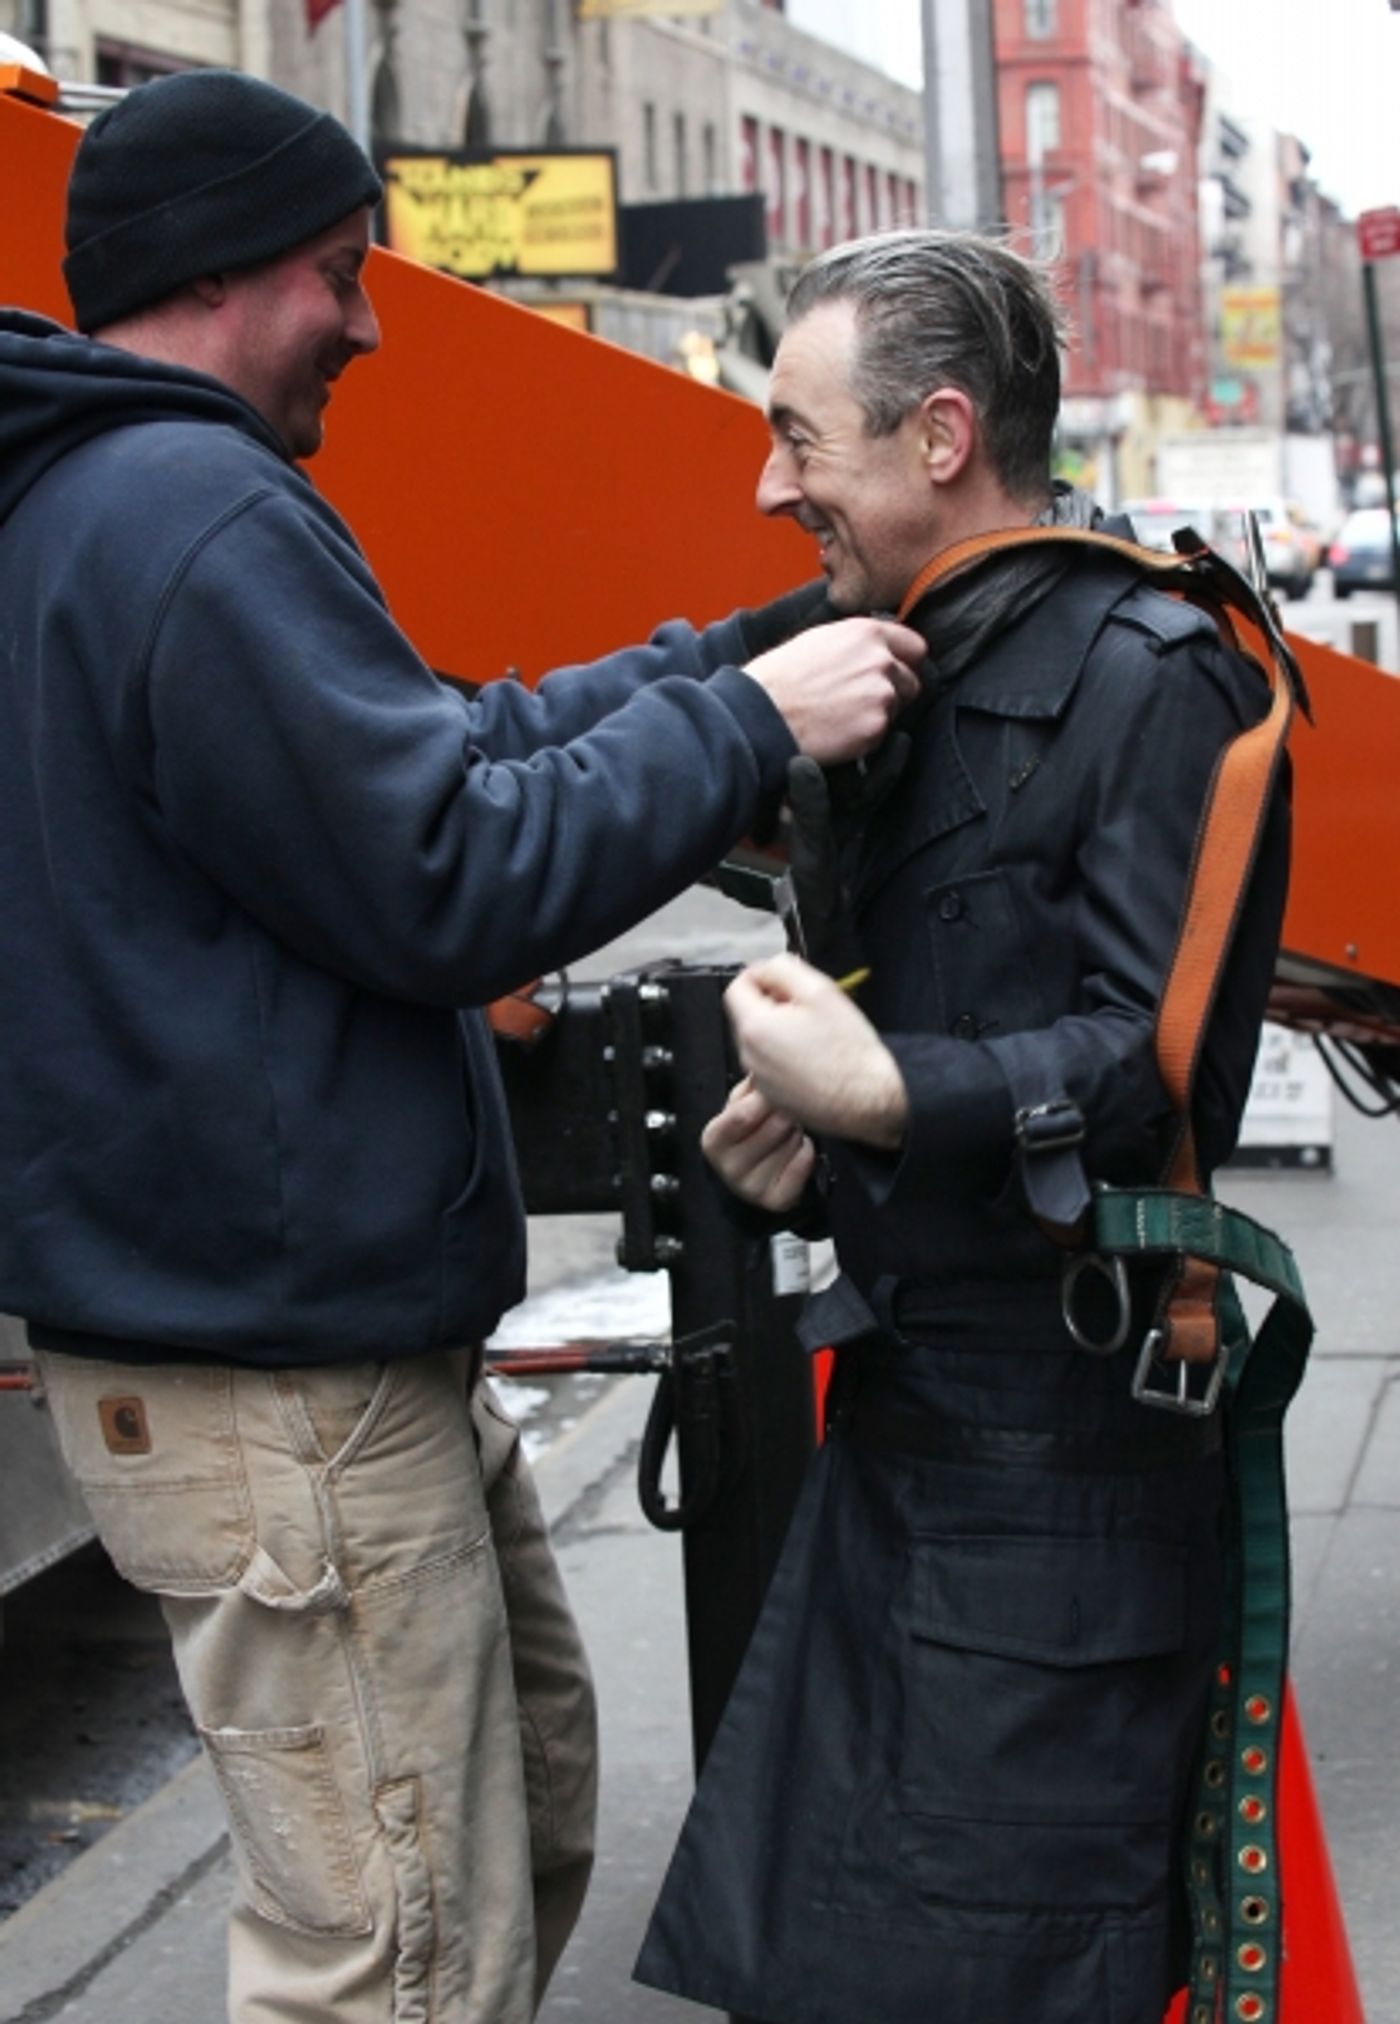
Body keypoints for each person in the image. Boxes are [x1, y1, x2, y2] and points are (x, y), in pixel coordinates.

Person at [0, 71, 925, 2024]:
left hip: (294, 1363)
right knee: (396, 1966)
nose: (367, 319)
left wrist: (721, 665)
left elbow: (432, 751)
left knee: (503, 1839)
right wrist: (750, 729)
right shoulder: (189, 513)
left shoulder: (107, 501)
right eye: (341, 271)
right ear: (227, 271)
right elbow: (449, 872)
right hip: (286, 1391)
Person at [635, 231, 1290, 2023]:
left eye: (798, 437)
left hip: (1065, 1478)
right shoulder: (886, 649)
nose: (768, 485)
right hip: (914, 1435)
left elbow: (1164, 1067)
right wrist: (827, 1116)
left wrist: (895, 1094)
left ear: (939, 436)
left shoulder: (1160, 672)